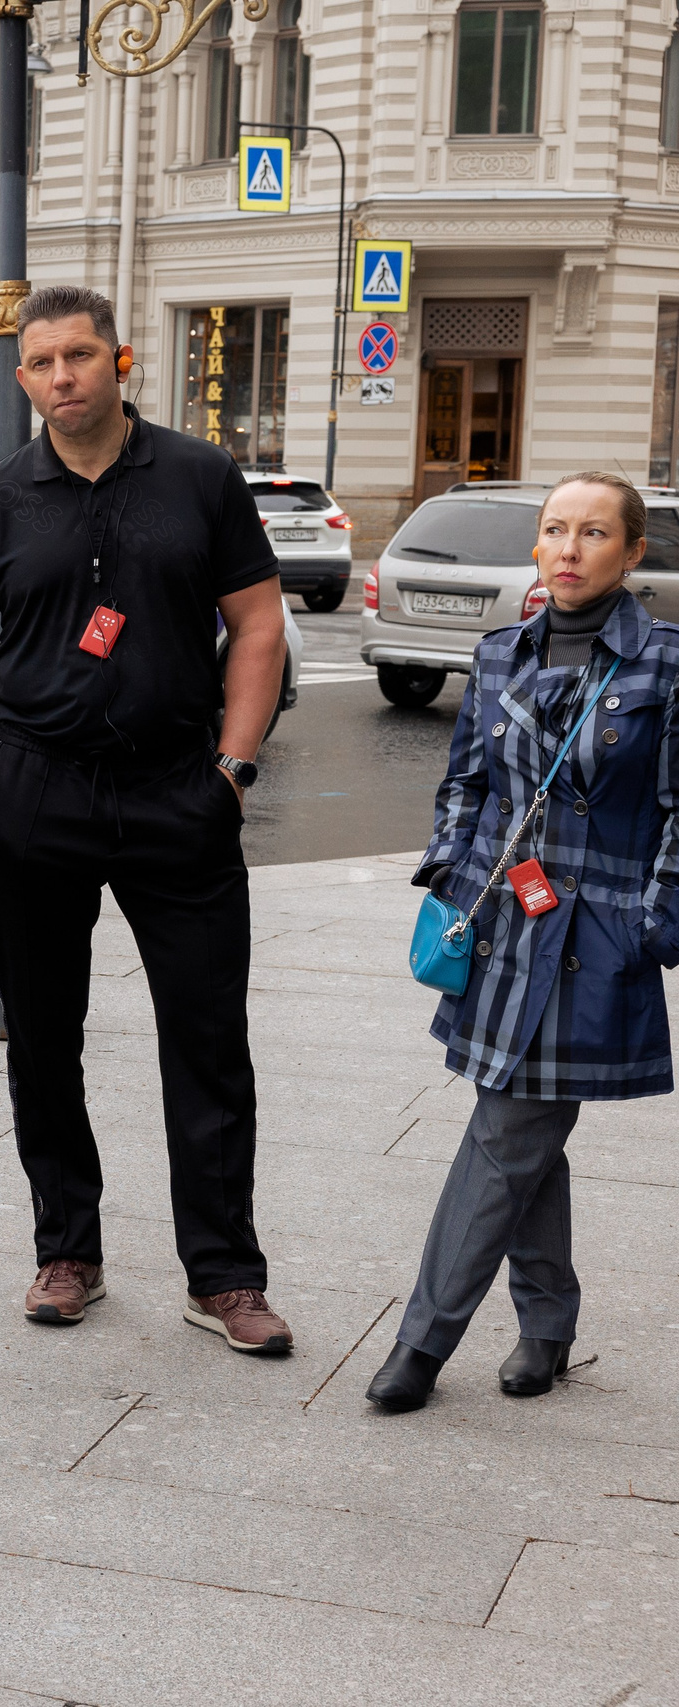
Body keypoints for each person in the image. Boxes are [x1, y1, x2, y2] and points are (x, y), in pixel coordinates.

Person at [0, 284, 293, 1355]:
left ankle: (224, 1274)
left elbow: (257, 627)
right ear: (23, 375)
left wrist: (231, 765)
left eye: (79, 356)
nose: (60, 377)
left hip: (178, 789)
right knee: (43, 1039)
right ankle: (66, 1250)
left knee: (209, 1038)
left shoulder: (199, 477)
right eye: (39, 363)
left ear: (120, 361)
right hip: (35, 793)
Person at [367, 473, 679, 1412]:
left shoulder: (664, 664)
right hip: (508, 926)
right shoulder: (501, 652)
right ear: (537, 549)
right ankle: (547, 1324)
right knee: (526, 1121)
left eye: (594, 533)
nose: (571, 548)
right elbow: (466, 779)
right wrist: (454, 874)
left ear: (631, 554)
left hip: (596, 936)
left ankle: (421, 1343)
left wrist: (652, 925)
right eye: (555, 531)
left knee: (507, 1131)